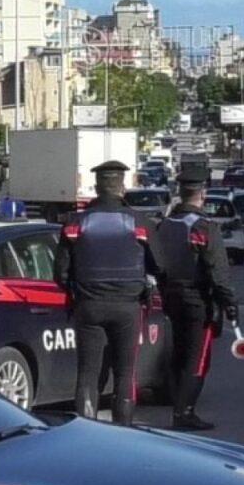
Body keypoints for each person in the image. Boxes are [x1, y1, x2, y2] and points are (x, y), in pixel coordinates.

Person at [60, 160, 156, 424]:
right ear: (122, 187)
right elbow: (160, 265)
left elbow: (61, 273)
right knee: (125, 372)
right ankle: (122, 430)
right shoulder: (139, 222)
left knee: (87, 373)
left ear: (97, 187)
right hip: (128, 307)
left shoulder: (75, 223)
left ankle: (86, 429)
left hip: (88, 305)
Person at [150, 172, 239, 431]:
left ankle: (179, 406)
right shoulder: (203, 227)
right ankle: (184, 412)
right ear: (202, 195)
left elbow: (154, 263)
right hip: (197, 300)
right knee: (197, 358)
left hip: (169, 297)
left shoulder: (164, 225)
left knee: (178, 353)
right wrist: (230, 302)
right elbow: (217, 270)